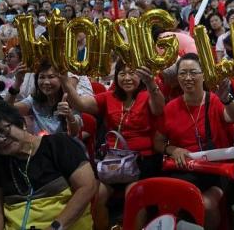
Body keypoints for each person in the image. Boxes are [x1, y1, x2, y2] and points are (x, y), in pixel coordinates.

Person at [60, 59, 165, 230]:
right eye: (122, 74)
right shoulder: (109, 97)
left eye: (132, 73)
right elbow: (80, 103)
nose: (127, 78)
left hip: (142, 161)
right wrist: (65, 81)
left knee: (134, 195)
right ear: (116, 77)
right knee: (97, 193)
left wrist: (150, 82)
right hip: (113, 162)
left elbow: (159, 108)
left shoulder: (147, 96)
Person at [154, 53, 234, 230]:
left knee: (207, 205)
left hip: (217, 170)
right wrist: (173, 150)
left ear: (203, 75)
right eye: (182, 73)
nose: (188, 78)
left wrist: (226, 99)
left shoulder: (215, 100)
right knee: (167, 198)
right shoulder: (170, 107)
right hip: (185, 168)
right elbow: (158, 141)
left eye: (193, 72)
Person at [0, 101, 97, 230]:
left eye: (3, 130)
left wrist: (55, 227)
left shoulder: (58, 144)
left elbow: (87, 187)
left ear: (21, 124)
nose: (1, 139)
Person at [6, 60, 82, 136]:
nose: (46, 82)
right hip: (41, 146)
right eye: (42, 77)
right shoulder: (34, 100)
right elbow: (6, 111)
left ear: (61, 79)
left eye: (51, 77)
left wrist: (69, 115)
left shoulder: (72, 101)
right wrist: (17, 83)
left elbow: (74, 133)